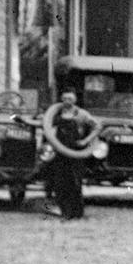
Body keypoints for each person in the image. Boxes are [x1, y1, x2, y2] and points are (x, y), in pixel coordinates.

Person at [40, 87, 100, 220]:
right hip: (59, 153)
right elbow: (47, 126)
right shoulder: (55, 114)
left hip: (75, 153)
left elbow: (97, 127)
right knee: (60, 184)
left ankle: (77, 213)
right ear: (61, 99)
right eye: (65, 98)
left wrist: (85, 140)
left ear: (75, 99)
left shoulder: (81, 114)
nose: (68, 101)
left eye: (70, 98)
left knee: (75, 183)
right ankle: (65, 213)